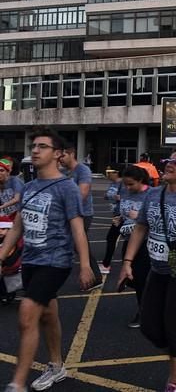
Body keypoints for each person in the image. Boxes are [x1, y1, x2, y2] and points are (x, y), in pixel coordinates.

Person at [0, 127, 94, 392]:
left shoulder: (67, 188)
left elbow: (77, 228)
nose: (36, 151)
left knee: (27, 314)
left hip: (55, 261)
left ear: (58, 154)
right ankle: (57, 365)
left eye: (42, 146)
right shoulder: (28, 187)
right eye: (34, 147)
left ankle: (17, 383)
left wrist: (85, 265)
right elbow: (18, 227)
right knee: (48, 315)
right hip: (31, 260)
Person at [118, 147, 176, 392]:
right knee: (150, 327)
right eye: (168, 159)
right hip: (158, 270)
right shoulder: (153, 195)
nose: (169, 164)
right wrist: (127, 263)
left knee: (175, 328)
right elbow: (140, 228)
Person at [60, 144, 103, 290]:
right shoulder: (66, 172)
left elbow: (82, 194)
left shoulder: (82, 170)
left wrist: (64, 205)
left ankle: (95, 277)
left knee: (79, 244)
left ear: (72, 154)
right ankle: (93, 275)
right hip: (70, 214)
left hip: (83, 214)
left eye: (63, 155)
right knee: (77, 245)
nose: (60, 159)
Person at [117, 165, 152, 328]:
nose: (127, 188)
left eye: (131, 184)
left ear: (141, 181)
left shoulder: (151, 194)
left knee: (143, 280)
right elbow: (124, 211)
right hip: (128, 240)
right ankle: (144, 309)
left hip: (146, 243)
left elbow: (158, 219)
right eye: (125, 184)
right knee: (136, 280)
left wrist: (139, 216)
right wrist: (120, 219)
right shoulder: (125, 192)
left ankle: (145, 312)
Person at [100, 168, 123, 274]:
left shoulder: (123, 184)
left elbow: (126, 197)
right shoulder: (113, 184)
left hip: (122, 216)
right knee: (112, 238)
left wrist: (118, 197)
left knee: (111, 237)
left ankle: (106, 264)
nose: (108, 175)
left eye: (110, 173)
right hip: (116, 215)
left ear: (117, 173)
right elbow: (105, 196)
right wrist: (113, 196)